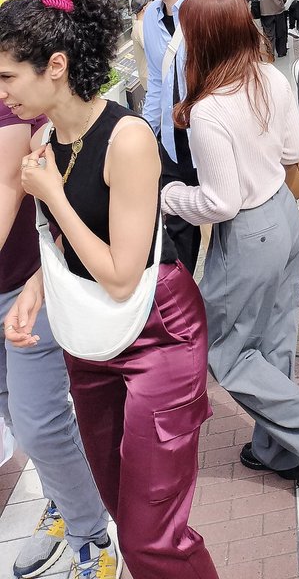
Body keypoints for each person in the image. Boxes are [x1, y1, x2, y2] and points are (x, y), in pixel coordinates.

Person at [0, 0, 217, 579]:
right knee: (127, 513)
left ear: (56, 66)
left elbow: (123, 275)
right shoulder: (47, 138)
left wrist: (48, 197)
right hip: (89, 340)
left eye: (7, 77)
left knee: (153, 537)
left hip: (158, 335)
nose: (0, 93)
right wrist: (36, 289)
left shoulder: (127, 139)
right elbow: (66, 243)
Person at [163, 0, 299, 486]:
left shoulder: (209, 110)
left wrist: (166, 197)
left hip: (247, 231)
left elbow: (219, 202)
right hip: (285, 215)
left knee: (224, 350)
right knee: (274, 338)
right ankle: (275, 447)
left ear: (201, 37)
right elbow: (296, 148)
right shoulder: (269, 76)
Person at [0, 99, 116, 579]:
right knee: (12, 407)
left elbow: (8, 187)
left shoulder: (10, 105)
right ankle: (65, 503)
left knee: (40, 422)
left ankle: (92, 538)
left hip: (27, 284)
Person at [138, 0, 201, 274]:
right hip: (171, 143)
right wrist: (148, 136)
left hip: (210, 133)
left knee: (227, 218)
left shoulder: (208, 6)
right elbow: (158, 84)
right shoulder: (149, 16)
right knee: (176, 225)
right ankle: (183, 300)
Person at [130, 0, 150, 91]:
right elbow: (150, 48)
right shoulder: (140, 27)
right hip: (150, 77)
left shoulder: (140, 25)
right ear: (145, 8)